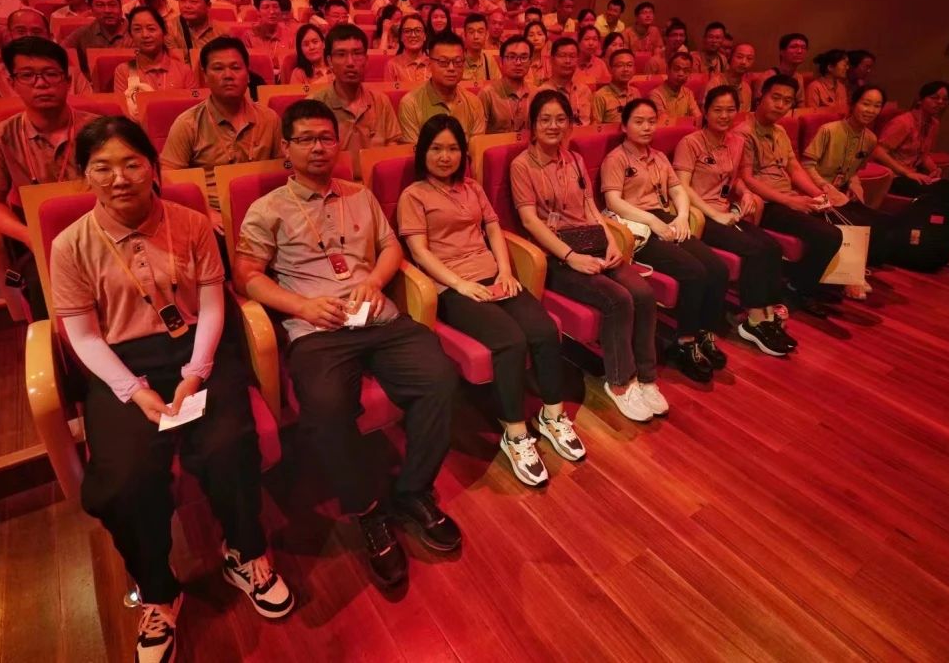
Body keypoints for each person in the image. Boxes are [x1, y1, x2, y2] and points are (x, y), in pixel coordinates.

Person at [53, 118, 293, 662]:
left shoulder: (191, 223)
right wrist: (134, 391)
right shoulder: (71, 245)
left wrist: (196, 372)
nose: (119, 179)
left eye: (131, 164)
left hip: (195, 349)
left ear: (153, 168)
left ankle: (245, 552)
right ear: (84, 174)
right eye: (102, 168)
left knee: (230, 444)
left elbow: (212, 304)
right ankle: (158, 591)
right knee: (125, 479)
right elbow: (83, 336)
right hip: (121, 363)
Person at [235, 99, 462, 588]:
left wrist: (376, 282)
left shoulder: (360, 196)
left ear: (338, 144)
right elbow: (247, 274)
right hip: (318, 329)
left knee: (440, 377)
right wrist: (301, 307)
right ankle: (368, 507)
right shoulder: (268, 209)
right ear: (286, 149)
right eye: (306, 139)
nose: (318, 147)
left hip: (378, 317)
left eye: (326, 138)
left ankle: (413, 490)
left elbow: (390, 247)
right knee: (325, 410)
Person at [400, 115, 583, 487]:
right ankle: (515, 433)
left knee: (544, 330)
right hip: (451, 287)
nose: (445, 156)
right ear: (423, 153)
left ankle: (552, 414)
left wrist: (505, 271)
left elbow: (493, 229)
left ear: (463, 153)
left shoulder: (472, 187)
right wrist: (459, 284)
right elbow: (419, 251)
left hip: (491, 276)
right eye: (436, 149)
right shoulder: (413, 195)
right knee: (510, 340)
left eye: (453, 149)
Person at [512, 90, 663, 422]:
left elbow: (591, 207)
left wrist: (611, 240)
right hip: (555, 253)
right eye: (545, 119)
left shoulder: (575, 159)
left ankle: (646, 377)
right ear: (532, 125)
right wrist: (570, 257)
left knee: (643, 293)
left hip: (592, 240)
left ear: (569, 124)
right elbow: (530, 221)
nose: (553, 126)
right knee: (617, 299)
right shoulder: (521, 165)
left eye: (560, 119)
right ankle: (620, 382)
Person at [601, 99, 730, 381]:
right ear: (624, 126)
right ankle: (685, 343)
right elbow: (613, 201)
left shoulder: (659, 156)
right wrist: (652, 221)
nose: (646, 127)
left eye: (651, 121)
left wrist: (682, 217)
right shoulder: (616, 158)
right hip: (637, 227)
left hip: (665, 220)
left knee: (717, 268)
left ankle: (704, 332)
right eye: (638, 121)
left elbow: (678, 190)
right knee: (694, 272)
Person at [0, 38, 94, 318]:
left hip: (99, 226)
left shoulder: (98, 128)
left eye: (51, 74)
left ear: (67, 80)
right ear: (13, 83)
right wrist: (27, 236)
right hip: (40, 235)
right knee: (42, 284)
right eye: (27, 75)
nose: (41, 84)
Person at [675, 86, 796, 356]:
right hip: (701, 216)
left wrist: (746, 192)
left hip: (727, 212)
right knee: (754, 250)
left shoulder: (736, 141)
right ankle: (754, 321)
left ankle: (768, 317)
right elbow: (681, 187)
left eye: (730, 110)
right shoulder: (690, 143)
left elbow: (735, 179)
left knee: (772, 247)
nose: (724, 115)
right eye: (718, 110)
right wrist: (714, 214)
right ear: (705, 111)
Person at [734, 75, 843, 317]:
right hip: (768, 204)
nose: (780, 105)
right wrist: (792, 201)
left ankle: (809, 282)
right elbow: (747, 179)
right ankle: (799, 288)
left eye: (787, 101)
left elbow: (794, 169)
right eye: (776, 98)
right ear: (761, 97)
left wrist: (819, 194)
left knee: (839, 216)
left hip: (789, 197)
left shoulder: (780, 131)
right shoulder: (744, 133)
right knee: (830, 234)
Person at [160, 37, 281, 221]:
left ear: (248, 75)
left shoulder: (270, 119)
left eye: (235, 68)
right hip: (214, 216)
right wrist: (205, 212)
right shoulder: (187, 123)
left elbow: (281, 170)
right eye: (218, 68)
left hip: (265, 211)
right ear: (205, 76)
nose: (228, 75)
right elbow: (169, 179)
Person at [802, 84, 899, 299]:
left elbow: (854, 171)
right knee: (852, 221)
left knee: (880, 220)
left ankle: (856, 268)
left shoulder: (870, 139)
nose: (870, 110)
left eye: (876, 106)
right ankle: (849, 278)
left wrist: (854, 185)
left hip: (841, 193)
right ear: (853, 104)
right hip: (814, 190)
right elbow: (807, 165)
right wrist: (825, 187)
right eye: (866, 104)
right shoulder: (829, 130)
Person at [0, 9, 93, 139]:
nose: (29, 36)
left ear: (50, 37)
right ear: (8, 35)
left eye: (36, 31)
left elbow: (90, 112)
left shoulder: (71, 73)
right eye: (20, 31)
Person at [873, 81, 949, 252]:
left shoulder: (933, 124)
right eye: (934, 98)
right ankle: (932, 242)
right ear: (921, 99)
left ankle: (946, 241)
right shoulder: (904, 122)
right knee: (937, 195)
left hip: (913, 174)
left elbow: (923, 155)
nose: (940, 103)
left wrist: (934, 169)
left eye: (945, 99)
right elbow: (878, 151)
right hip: (895, 176)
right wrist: (906, 172)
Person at [305, 24, 402, 176]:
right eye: (341, 54)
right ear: (329, 61)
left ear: (366, 59)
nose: (350, 62)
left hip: (375, 184)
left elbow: (392, 148)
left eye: (357, 53)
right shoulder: (314, 106)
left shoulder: (381, 101)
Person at [398, 30, 487, 143]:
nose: (451, 68)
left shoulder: (474, 103)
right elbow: (414, 151)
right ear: (429, 64)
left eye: (457, 61)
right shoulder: (410, 104)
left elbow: (476, 149)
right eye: (443, 62)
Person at [114, 8, 196, 119]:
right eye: (137, 30)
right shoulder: (124, 71)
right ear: (131, 35)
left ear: (164, 31)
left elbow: (194, 112)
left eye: (151, 29)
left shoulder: (183, 71)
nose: (145, 35)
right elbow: (123, 116)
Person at [61, 0, 128, 73]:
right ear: (91, 10)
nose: (107, 10)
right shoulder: (84, 33)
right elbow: (58, 53)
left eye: (112, 5)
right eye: (100, 5)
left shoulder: (135, 31)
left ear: (120, 7)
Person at [478, 35, 534, 133]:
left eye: (524, 57)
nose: (518, 62)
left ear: (530, 62)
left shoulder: (536, 93)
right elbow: (479, 137)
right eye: (512, 57)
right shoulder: (488, 94)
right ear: (501, 62)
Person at [171, 0, 228, 66]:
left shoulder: (222, 32)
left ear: (208, 5)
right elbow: (174, 66)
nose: (187, 6)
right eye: (182, 0)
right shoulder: (170, 29)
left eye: (193, 1)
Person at [244, 0, 293, 81]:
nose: (272, 12)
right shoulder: (248, 36)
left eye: (275, 7)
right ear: (258, 11)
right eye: (266, 7)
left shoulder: (290, 35)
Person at [544, 37, 595, 126]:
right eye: (562, 56)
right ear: (551, 60)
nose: (568, 61)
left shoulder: (584, 91)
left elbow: (593, 123)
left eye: (572, 56)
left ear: (577, 60)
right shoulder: (543, 92)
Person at [592, 49, 643, 124]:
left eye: (629, 65)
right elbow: (596, 127)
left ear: (634, 69)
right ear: (610, 69)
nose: (625, 69)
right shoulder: (600, 96)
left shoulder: (636, 93)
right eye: (620, 65)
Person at [649, 52, 701, 122]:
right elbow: (665, 122)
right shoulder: (656, 95)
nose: (681, 74)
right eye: (676, 69)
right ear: (667, 70)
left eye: (686, 71)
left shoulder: (688, 93)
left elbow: (698, 118)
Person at [708, 42, 757, 110]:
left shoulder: (747, 89)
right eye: (739, 57)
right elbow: (708, 112)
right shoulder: (716, 83)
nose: (744, 62)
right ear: (730, 57)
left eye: (749, 58)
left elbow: (745, 114)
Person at [386, 13, 431, 87]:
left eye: (418, 30)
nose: (413, 35)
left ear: (425, 36)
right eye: (407, 31)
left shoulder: (434, 63)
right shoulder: (392, 66)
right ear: (401, 37)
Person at [805, 49, 850, 113]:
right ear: (830, 67)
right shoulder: (814, 87)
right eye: (844, 65)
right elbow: (811, 114)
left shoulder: (841, 87)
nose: (847, 68)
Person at [460, 13, 500, 83]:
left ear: (486, 35)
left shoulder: (489, 60)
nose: (476, 36)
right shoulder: (457, 60)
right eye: (471, 32)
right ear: (464, 35)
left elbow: (498, 86)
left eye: (480, 32)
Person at [523, 20, 551, 88]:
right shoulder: (520, 62)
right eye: (531, 35)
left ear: (546, 38)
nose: (536, 38)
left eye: (540, 34)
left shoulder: (551, 62)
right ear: (525, 39)